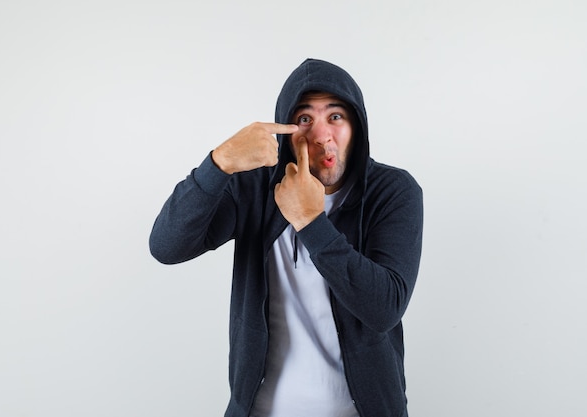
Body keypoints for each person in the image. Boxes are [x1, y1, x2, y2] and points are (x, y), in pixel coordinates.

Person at [149, 58, 423, 417]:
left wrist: (311, 221)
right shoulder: (254, 187)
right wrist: (219, 164)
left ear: (357, 125)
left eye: (336, 117)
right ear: (284, 130)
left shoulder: (392, 191)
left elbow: (384, 308)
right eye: (305, 119)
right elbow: (166, 247)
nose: (322, 135)